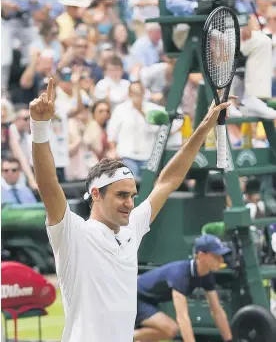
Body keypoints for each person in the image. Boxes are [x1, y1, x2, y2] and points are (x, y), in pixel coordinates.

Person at [29, 77, 233, 342]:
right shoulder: (73, 233)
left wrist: (205, 125)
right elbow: (47, 183)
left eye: (132, 196)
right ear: (96, 194)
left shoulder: (131, 227)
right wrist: (39, 127)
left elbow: (168, 181)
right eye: (121, 195)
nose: (130, 203)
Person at [134, 234, 233, 342]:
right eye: (216, 256)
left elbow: (217, 311)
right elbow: (182, 318)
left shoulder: (205, 276)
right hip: (135, 297)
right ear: (201, 256)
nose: (221, 259)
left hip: (150, 301)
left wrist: (229, 340)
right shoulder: (181, 274)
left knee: (160, 332)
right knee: (170, 329)